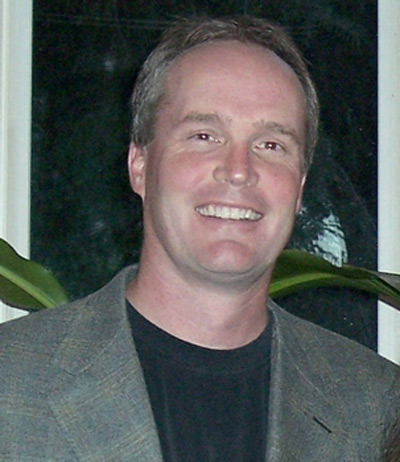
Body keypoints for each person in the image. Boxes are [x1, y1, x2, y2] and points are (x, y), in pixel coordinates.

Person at [0, 16, 399, 462]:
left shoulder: (377, 404)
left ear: (301, 185)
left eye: (271, 145)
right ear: (139, 164)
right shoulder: (10, 383)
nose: (238, 169)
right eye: (204, 136)